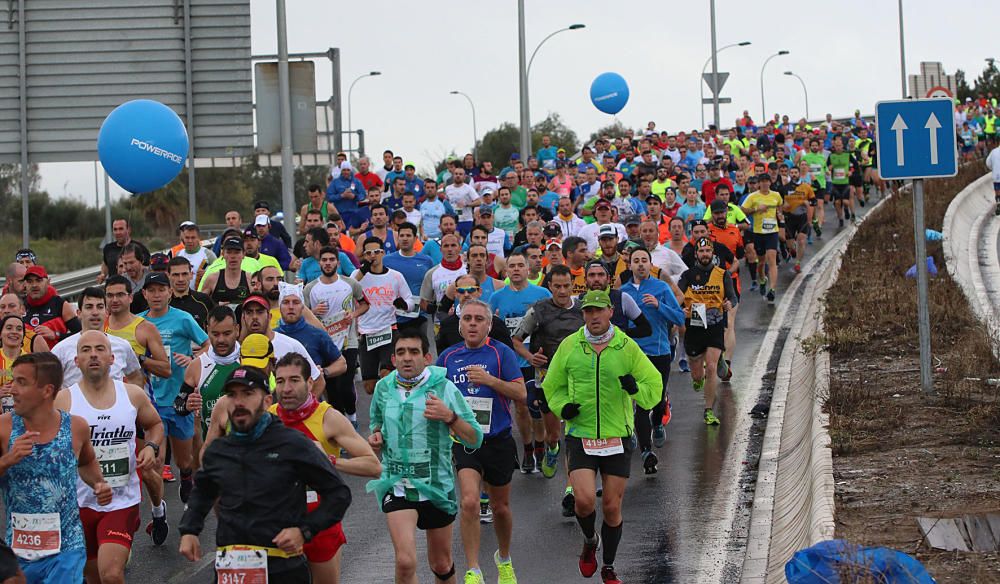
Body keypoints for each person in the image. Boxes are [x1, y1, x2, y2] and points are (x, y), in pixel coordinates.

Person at [179, 366, 352, 583]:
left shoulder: (292, 444)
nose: (239, 402)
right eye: (232, 395)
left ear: (267, 401)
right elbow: (203, 492)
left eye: (248, 394)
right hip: (232, 566)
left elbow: (339, 494)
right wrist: (189, 530)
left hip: (282, 566)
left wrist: (304, 531)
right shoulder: (220, 450)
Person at [543, 289, 661, 584]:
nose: (593, 317)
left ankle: (608, 566)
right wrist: (562, 407)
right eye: (588, 311)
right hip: (581, 435)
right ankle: (588, 539)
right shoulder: (571, 345)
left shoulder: (626, 346)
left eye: (599, 311)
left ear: (610, 311)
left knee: (610, 506)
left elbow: (653, 385)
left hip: (616, 437)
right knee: (583, 501)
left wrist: (636, 390)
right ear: (582, 314)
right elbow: (552, 385)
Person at [366, 329, 482, 584]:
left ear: (427, 357)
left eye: (414, 352)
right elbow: (375, 420)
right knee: (405, 562)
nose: (407, 358)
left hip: (436, 486)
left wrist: (449, 417)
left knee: (440, 564)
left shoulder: (444, 388)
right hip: (397, 484)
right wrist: (377, 435)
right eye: (401, 352)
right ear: (394, 359)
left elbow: (474, 437)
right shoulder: (384, 388)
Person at [55, 331, 164, 584]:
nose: (93, 354)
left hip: (121, 500)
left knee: (112, 574)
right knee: (93, 578)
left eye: (100, 349)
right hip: (79, 503)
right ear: (76, 360)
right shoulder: (63, 401)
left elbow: (155, 425)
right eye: (86, 350)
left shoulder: (132, 394)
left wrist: (150, 446)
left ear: (112, 358)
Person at [0, 353, 112, 583]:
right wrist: (7, 460)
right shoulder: (4, 428)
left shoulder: (76, 427)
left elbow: (87, 461)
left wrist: (99, 483)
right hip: (18, 552)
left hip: (67, 547)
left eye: (22, 382)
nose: (12, 390)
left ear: (46, 390)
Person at [268, 353, 380, 584]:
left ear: (310, 383)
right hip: (278, 527)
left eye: (294, 380)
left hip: (321, 525)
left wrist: (329, 461)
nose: (286, 388)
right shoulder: (266, 419)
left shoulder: (328, 418)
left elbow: (374, 466)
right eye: (280, 381)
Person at [436, 300, 525, 584]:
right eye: (468, 319)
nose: (472, 324)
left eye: (478, 319)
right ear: (460, 325)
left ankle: (504, 557)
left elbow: (521, 393)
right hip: (464, 441)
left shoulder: (501, 354)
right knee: (470, 502)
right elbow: (433, 394)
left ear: (488, 325)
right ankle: (473, 568)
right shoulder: (448, 358)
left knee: (500, 508)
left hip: (497, 439)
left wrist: (491, 380)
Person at [139, 272, 209, 504]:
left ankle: (187, 477)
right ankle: (159, 510)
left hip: (179, 398)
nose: (156, 295)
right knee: (156, 462)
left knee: (184, 460)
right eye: (151, 290)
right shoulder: (137, 323)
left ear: (170, 292)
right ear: (144, 294)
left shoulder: (183, 319)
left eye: (161, 290)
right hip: (150, 401)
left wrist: (193, 360)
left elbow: (207, 345)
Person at [512, 265, 583, 479]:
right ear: (549, 286)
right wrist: (530, 357)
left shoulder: (583, 308)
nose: (562, 291)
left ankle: (577, 477)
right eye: (557, 287)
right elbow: (515, 340)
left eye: (566, 286)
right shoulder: (538, 310)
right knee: (553, 435)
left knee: (576, 432)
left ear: (573, 285)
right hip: (548, 379)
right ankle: (552, 449)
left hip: (579, 378)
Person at [620, 247, 685, 474]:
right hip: (633, 354)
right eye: (635, 261)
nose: (640, 264)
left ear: (651, 265)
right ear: (630, 265)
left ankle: (657, 421)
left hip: (659, 352)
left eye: (644, 261)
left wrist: (659, 306)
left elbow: (679, 316)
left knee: (656, 401)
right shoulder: (623, 292)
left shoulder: (661, 288)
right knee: (637, 402)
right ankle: (646, 450)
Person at [489, 252, 552, 473]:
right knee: (521, 408)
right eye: (511, 266)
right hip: (511, 361)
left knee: (538, 406)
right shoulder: (497, 297)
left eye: (520, 265)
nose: (516, 269)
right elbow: (493, 329)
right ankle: (527, 448)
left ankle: (541, 446)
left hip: (536, 359)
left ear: (527, 269)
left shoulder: (542, 293)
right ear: (506, 272)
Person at [678, 237, 739, 425]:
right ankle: (700, 376)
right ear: (696, 254)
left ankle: (709, 410)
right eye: (701, 251)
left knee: (711, 368)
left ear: (713, 254)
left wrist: (729, 303)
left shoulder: (722, 274)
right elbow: (678, 298)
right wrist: (681, 310)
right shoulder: (687, 275)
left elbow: (733, 297)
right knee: (697, 374)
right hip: (694, 327)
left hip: (715, 324)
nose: (705, 254)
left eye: (708, 251)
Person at [304, 247, 368, 424]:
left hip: (349, 342)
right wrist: (313, 311)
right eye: (324, 260)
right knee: (332, 390)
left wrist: (352, 315)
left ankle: (352, 418)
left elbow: (364, 305)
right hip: (325, 343)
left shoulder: (350, 284)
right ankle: (340, 425)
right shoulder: (311, 288)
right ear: (320, 263)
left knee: (346, 386)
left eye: (331, 260)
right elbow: (302, 314)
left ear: (338, 262)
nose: (328, 263)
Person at [180, 306, 242, 471]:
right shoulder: (197, 365)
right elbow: (178, 405)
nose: (221, 340)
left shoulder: (248, 360)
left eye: (227, 333)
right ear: (207, 330)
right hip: (209, 450)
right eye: (215, 334)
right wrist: (187, 406)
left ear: (237, 330)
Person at [352, 237, 415, 396]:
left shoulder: (395, 276)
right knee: (369, 386)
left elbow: (411, 301)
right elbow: (346, 289)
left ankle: (390, 412)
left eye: (377, 252)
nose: (373, 256)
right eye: (369, 253)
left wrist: (404, 304)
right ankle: (380, 408)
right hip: (367, 333)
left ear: (383, 253)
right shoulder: (358, 275)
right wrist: (361, 272)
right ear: (364, 255)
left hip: (389, 330)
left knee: (387, 375)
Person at [50, 288, 143, 390]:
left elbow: (135, 377)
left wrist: (131, 402)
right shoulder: (61, 350)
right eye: (89, 307)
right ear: (79, 313)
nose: (95, 312)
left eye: (100, 307)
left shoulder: (122, 345)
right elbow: (50, 385)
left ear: (107, 312)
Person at [275, 283, 347, 395]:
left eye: (296, 302)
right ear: (279, 306)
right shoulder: (274, 336)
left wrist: (324, 372)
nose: (291, 306)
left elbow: (341, 363)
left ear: (303, 307)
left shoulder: (317, 334)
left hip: (312, 396)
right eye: (285, 302)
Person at [435, 274, 513, 353]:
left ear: (479, 291)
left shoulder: (496, 323)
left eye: (471, 290)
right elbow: (442, 357)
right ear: (456, 293)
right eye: (461, 291)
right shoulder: (447, 324)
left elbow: (507, 353)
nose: (466, 294)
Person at [383, 223, 433, 335]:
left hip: (420, 315)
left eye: (408, 235)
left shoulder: (426, 261)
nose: (405, 239)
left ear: (415, 238)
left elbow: (431, 287)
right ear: (398, 238)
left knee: (420, 349)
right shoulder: (386, 260)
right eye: (402, 235)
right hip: (394, 316)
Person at [741, 173, 783, 304]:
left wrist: (780, 216)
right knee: (761, 263)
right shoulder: (752, 196)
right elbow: (743, 210)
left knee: (772, 260)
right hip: (758, 232)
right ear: (759, 183)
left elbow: (780, 207)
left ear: (770, 183)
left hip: (772, 232)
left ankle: (772, 290)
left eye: (767, 181)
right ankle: (763, 280)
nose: (765, 184)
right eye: (762, 181)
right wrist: (755, 209)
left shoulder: (776, 195)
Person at [23, 266, 80, 349]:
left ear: (48, 282)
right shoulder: (19, 305)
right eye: (30, 281)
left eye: (39, 280)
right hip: (26, 359)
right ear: (25, 284)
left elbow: (80, 335)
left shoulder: (60, 304)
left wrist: (55, 335)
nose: (34, 285)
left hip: (55, 358)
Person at [198, 237, 252, 309]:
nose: (233, 256)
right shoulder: (212, 279)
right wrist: (215, 306)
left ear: (244, 254)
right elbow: (200, 305)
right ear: (223, 254)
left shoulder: (250, 279)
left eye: (237, 252)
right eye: (229, 252)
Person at [166, 257, 215, 331]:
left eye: (184, 274)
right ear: (168, 276)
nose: (180, 279)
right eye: (176, 275)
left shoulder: (204, 300)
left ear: (191, 275)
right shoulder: (161, 303)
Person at [100, 219, 149, 284]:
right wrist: (103, 274)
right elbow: (105, 264)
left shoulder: (139, 248)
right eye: (115, 229)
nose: (118, 232)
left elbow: (148, 267)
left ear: (128, 230)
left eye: (121, 229)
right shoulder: (108, 248)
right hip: (113, 288)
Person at [170, 222, 216, 289]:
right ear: (183, 238)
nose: (190, 241)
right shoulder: (178, 254)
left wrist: (207, 274)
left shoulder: (208, 254)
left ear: (198, 238)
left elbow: (219, 275)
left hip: (201, 296)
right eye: (187, 238)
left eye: (193, 238)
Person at [986, 140, 1000, 216]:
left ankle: (998, 205)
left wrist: (993, 168)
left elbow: (988, 163)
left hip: (996, 175)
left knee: (998, 190)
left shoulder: (993, 152)